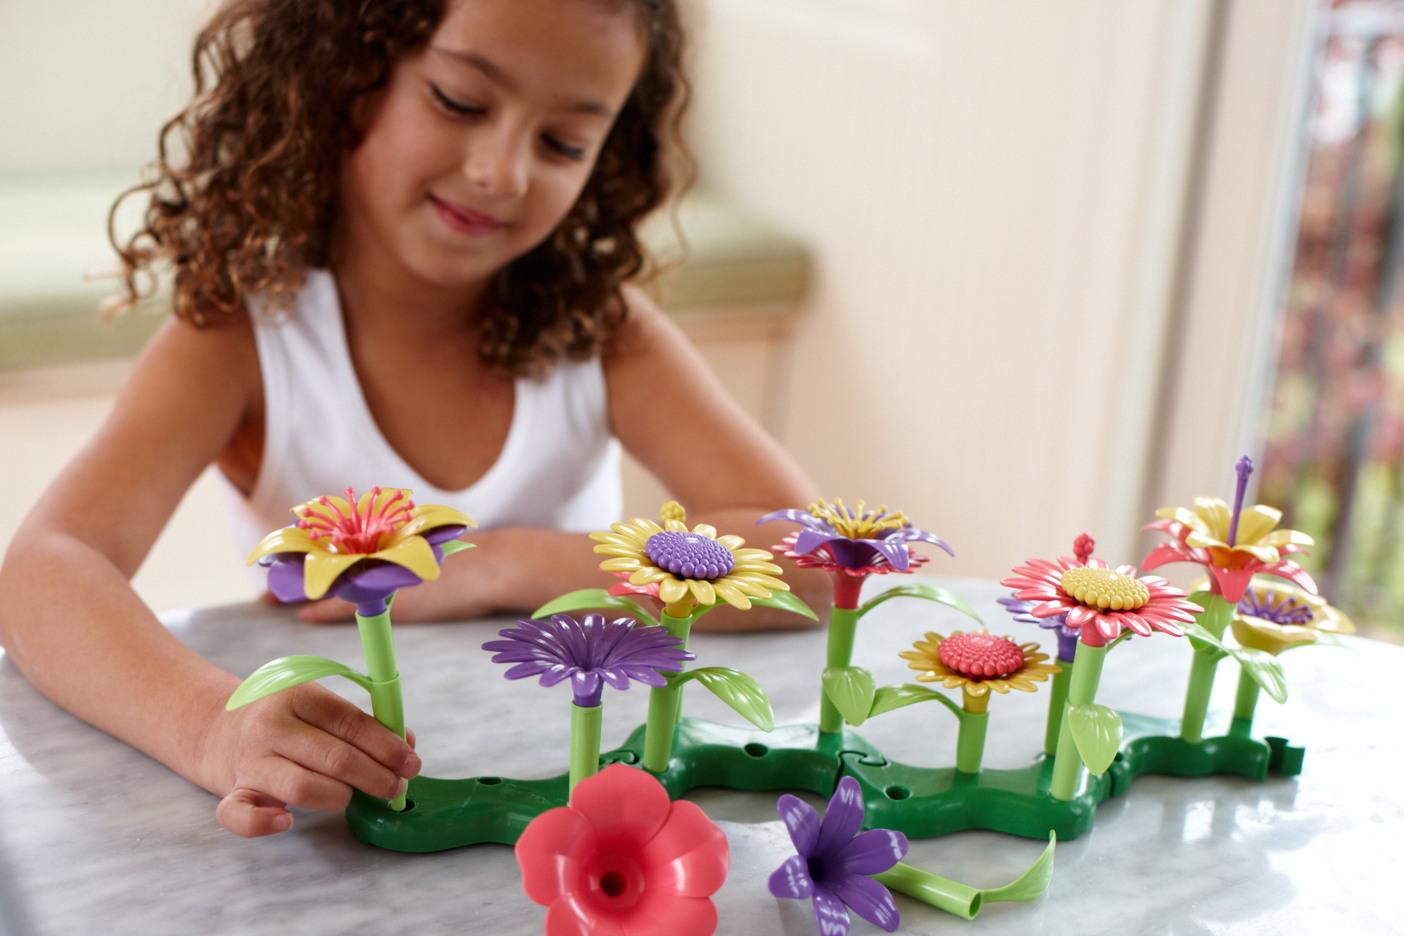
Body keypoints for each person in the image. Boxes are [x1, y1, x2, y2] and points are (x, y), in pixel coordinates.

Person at [0, 0, 822, 839]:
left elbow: (813, 560)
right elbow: (43, 568)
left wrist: (505, 563)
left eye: (564, 143)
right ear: (346, 75)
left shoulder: (603, 331)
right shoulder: (245, 336)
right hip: (359, 822)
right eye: (460, 102)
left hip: (585, 809)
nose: (503, 172)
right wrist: (213, 723)